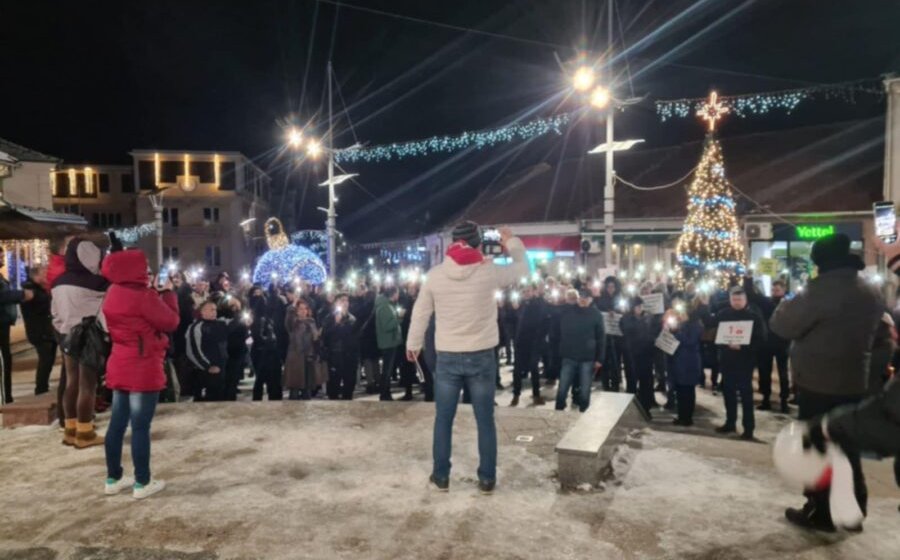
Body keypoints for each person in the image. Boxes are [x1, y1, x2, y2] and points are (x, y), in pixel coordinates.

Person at [770, 233, 882, 531]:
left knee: (819, 449)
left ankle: (819, 512)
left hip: (819, 383)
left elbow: (782, 325)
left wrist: (788, 299)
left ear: (821, 262)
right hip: (854, 381)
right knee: (847, 448)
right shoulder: (867, 290)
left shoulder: (820, 290)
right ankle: (853, 511)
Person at [406, 222, 528, 494]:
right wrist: (512, 243)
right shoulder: (488, 273)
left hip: (448, 356)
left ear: (452, 244)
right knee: (485, 419)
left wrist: (413, 345)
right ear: (477, 244)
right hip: (481, 356)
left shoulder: (436, 275)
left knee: (443, 419)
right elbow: (523, 270)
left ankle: (441, 476)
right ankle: (487, 478)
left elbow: (420, 313)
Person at [101, 247, 179, 500]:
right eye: (143, 268)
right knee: (140, 427)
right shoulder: (144, 297)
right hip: (142, 367)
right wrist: (167, 294)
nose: (146, 272)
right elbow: (171, 322)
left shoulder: (113, 292)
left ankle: (113, 477)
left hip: (120, 362)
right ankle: (142, 482)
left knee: (117, 424)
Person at [52, 238, 108, 448]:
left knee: (71, 382)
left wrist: (63, 330)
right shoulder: (99, 283)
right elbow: (105, 311)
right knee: (88, 386)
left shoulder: (57, 283)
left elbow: (55, 314)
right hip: (90, 337)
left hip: (67, 335)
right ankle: (85, 433)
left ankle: (70, 429)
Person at [713, 285, 766, 441]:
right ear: (730, 299)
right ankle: (730, 422)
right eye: (734, 299)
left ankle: (748, 428)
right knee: (728, 393)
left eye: (739, 299)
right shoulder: (723, 314)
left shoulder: (754, 317)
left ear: (745, 300)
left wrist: (743, 346)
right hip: (727, 360)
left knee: (746, 395)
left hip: (745, 361)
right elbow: (716, 334)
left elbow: (761, 340)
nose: (736, 302)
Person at [555, 288, 604, 412]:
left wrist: (599, 358)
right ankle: (558, 412)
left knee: (585, 391)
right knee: (562, 389)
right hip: (569, 356)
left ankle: (584, 414)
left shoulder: (596, 314)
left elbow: (601, 337)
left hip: (587, 358)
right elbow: (556, 322)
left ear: (590, 299)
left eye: (585, 297)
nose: (582, 300)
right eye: (581, 297)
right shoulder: (568, 311)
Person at [747, 278, 791, 412]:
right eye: (773, 290)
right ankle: (766, 399)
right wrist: (748, 279)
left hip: (782, 342)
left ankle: (784, 400)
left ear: (783, 290)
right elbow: (752, 295)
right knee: (764, 372)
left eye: (777, 290)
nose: (774, 292)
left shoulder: (788, 304)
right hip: (766, 343)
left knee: (783, 373)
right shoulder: (767, 302)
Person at [0, 251, 35, 404]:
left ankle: (7, 396)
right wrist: (20, 295)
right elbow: (3, 296)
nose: (2, 259)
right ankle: (4, 398)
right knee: (3, 361)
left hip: (4, 322)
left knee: (6, 359)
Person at [665, 301, 704, 426]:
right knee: (680, 391)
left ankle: (687, 417)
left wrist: (676, 332)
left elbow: (690, 341)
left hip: (689, 363)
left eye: (682, 312)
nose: (680, 315)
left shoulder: (695, 325)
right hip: (678, 362)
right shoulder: (682, 325)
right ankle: (681, 415)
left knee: (688, 391)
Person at [20, 265, 55, 396]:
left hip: (47, 330)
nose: (47, 276)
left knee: (49, 359)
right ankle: (40, 388)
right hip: (38, 331)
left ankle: (43, 386)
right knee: (45, 359)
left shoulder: (41, 289)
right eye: (44, 273)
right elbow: (39, 306)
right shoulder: (29, 290)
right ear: (36, 275)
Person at [511, 285, 548, 407]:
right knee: (517, 369)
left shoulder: (538, 304)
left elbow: (542, 321)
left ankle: (536, 394)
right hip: (521, 343)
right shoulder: (519, 305)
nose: (526, 293)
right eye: (524, 291)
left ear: (533, 292)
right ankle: (516, 394)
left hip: (533, 342)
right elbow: (512, 321)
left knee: (533, 368)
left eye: (528, 291)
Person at [185, 301, 229, 401]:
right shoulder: (196, 327)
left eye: (215, 310)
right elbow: (192, 350)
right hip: (204, 371)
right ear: (203, 312)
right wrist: (207, 366)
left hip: (220, 368)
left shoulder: (220, 324)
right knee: (204, 403)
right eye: (211, 310)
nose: (215, 312)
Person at [619, 296, 656, 414]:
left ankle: (646, 407)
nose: (640, 308)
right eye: (638, 306)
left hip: (646, 355)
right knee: (632, 383)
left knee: (646, 383)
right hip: (632, 356)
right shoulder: (626, 319)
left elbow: (652, 333)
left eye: (641, 306)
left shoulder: (646, 318)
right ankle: (632, 408)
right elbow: (628, 331)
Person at [322, 293, 359, 400]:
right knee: (333, 388)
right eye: (342, 300)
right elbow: (325, 336)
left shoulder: (352, 319)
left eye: (346, 300)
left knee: (349, 386)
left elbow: (355, 337)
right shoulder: (329, 318)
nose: (345, 303)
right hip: (335, 356)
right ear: (336, 303)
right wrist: (336, 324)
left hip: (349, 356)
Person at [284, 299, 320, 400]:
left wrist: (317, 337)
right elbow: (288, 321)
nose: (303, 311)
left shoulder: (311, 321)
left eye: (305, 309)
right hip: (295, 357)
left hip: (308, 356)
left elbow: (315, 337)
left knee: (307, 389)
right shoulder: (294, 323)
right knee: (294, 389)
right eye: (300, 309)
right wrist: (293, 305)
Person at [595, 276, 623, 391]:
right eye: (608, 287)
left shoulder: (619, 299)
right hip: (605, 335)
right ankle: (605, 383)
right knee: (605, 361)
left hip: (617, 336)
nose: (610, 289)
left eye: (612, 287)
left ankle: (615, 383)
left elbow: (623, 313)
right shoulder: (601, 300)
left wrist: (616, 312)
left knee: (616, 361)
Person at [375, 286, 403, 401]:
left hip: (390, 342)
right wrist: (399, 318)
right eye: (398, 293)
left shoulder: (389, 305)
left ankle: (386, 391)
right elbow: (386, 326)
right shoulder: (384, 307)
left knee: (388, 369)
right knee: (387, 370)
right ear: (393, 294)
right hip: (388, 343)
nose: (399, 296)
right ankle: (384, 393)